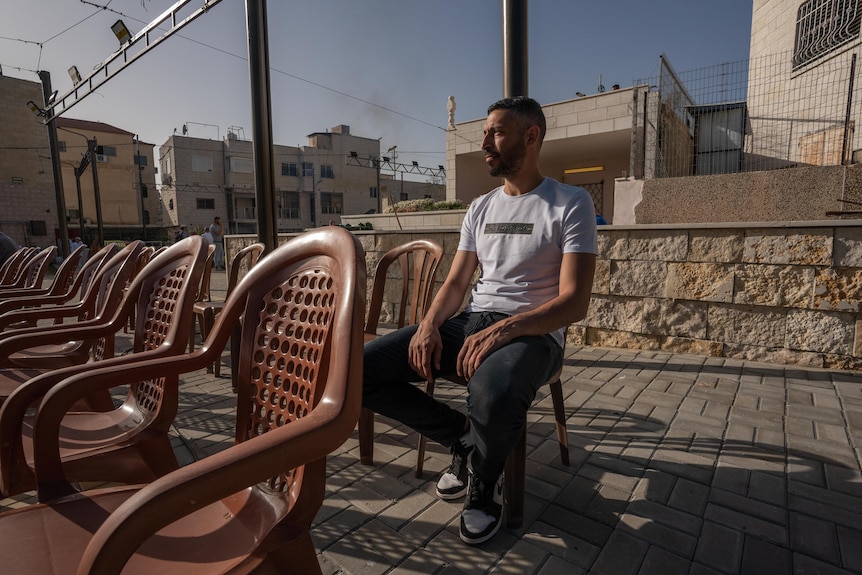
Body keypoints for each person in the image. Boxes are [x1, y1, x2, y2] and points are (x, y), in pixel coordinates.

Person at [363, 96, 597, 545]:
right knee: (362, 370)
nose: (485, 142)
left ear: (531, 137)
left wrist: (507, 328)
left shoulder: (569, 203)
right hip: (472, 322)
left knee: (493, 393)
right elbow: (455, 284)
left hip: (534, 334)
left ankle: (485, 486)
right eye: (486, 132)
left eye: (497, 132)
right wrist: (430, 323)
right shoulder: (481, 207)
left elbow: (575, 302)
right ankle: (464, 441)